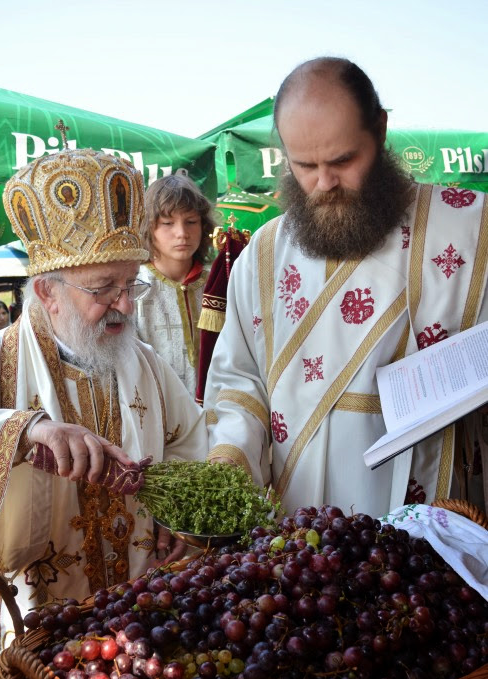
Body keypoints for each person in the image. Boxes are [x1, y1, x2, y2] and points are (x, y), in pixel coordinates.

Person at [204, 56, 488, 520]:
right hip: (300, 531)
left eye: (342, 160)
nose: (324, 183)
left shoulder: (471, 228)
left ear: (379, 130)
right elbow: (239, 381)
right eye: (304, 165)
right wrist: (230, 460)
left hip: (436, 517)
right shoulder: (263, 254)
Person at [0, 147, 208, 665]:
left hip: (138, 621)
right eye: (104, 288)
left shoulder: (145, 363)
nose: (124, 305)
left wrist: (177, 513)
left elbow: (190, 440)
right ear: (47, 292)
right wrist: (24, 431)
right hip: (34, 629)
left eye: (131, 285)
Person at [136, 173, 217, 397]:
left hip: (217, 407)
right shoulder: (134, 289)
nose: (182, 233)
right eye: (167, 223)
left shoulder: (219, 284)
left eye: (191, 222)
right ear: (149, 228)